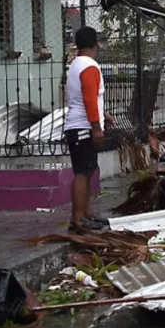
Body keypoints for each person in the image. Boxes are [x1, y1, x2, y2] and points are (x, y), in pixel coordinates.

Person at [63, 27, 115, 233]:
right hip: (83, 127)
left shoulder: (76, 64)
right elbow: (88, 98)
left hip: (79, 125)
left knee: (86, 170)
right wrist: (96, 126)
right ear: (96, 44)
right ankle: (78, 218)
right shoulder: (89, 66)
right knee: (82, 173)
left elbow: (90, 97)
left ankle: (86, 214)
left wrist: (105, 115)